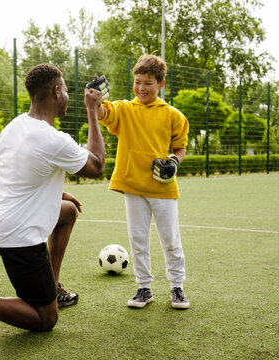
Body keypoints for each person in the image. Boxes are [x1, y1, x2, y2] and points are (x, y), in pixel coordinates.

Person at [0, 63, 106, 341]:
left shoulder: (14, 127)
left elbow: (21, 175)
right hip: (18, 232)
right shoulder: (53, 139)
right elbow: (97, 165)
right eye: (67, 91)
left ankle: (53, 286)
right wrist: (92, 110)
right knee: (45, 318)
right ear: (56, 91)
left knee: (68, 212)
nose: (69, 96)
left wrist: (58, 194)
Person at [96, 54, 190, 309]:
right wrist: (96, 100)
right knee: (138, 239)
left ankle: (177, 287)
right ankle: (144, 289)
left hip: (162, 188)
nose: (140, 88)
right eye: (137, 82)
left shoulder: (173, 115)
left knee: (170, 239)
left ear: (160, 84)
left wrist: (174, 161)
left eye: (147, 83)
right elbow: (104, 113)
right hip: (133, 187)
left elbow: (180, 148)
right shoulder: (125, 109)